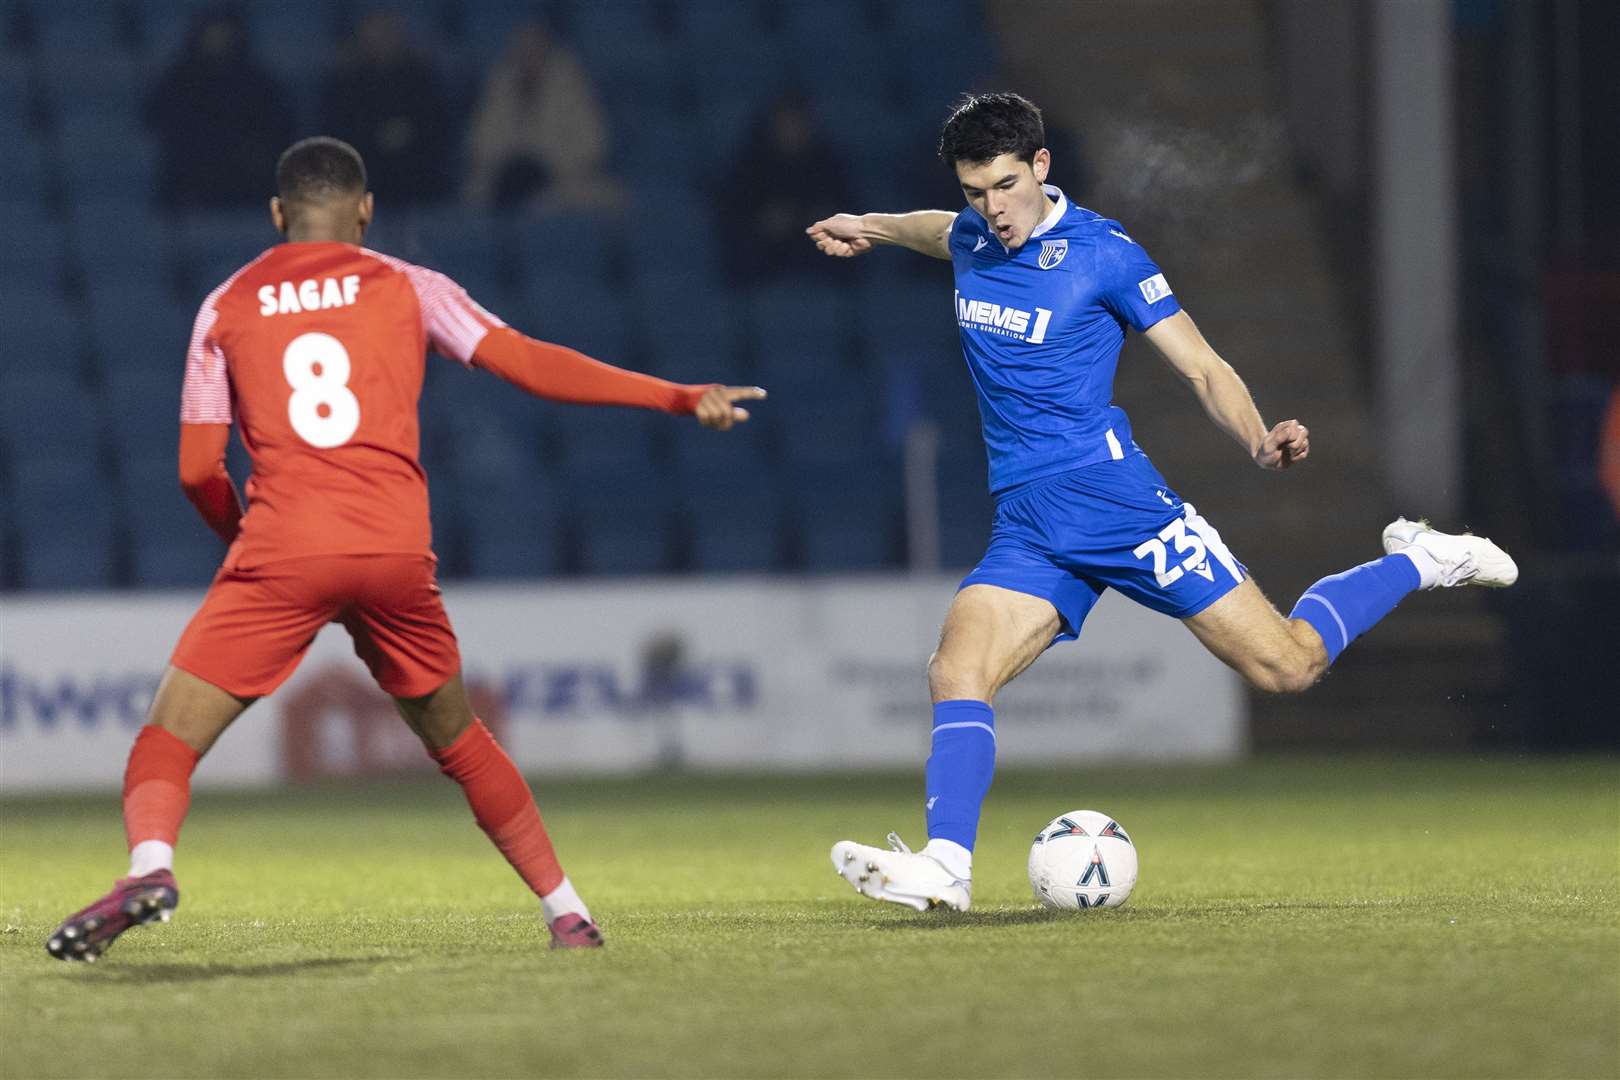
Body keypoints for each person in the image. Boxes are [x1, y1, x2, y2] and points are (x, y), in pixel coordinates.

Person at [45, 136, 765, 960]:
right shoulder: (411, 287)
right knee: (459, 739)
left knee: (168, 737)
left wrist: (240, 541)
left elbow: (197, 468)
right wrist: (676, 396)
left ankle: (150, 868)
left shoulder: (226, 304)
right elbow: (525, 362)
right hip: (393, 551)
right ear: (366, 210)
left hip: (284, 549)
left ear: (278, 216)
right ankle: (567, 912)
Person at [805, 92, 1517, 912]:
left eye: (1005, 185)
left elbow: (1203, 367)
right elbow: (933, 229)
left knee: (1288, 664)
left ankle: (1421, 561)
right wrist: (869, 223)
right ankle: (946, 868)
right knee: (955, 670)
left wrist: (1256, 438)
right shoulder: (970, 231)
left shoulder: (1105, 253)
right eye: (975, 190)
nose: (991, 209)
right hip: (1031, 521)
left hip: (1116, 502)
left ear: (1040, 166)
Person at [145, 4, 295, 210]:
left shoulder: (259, 83)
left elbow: (280, 127)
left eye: (224, 31)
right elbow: (153, 117)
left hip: (247, 182)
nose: (218, 39)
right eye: (213, 31)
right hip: (192, 179)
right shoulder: (180, 80)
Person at [462, 21, 622, 213]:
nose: (529, 57)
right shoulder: (501, 84)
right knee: (476, 198)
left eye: (536, 50)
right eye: (523, 51)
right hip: (508, 180)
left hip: (560, 178)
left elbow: (594, 142)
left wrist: (549, 164)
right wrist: (510, 161)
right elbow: (481, 141)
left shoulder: (571, 85)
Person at [718, 91, 855, 283]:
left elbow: (846, 207)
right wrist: (764, 223)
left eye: (799, 122)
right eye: (787, 122)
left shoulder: (829, 166)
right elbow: (734, 215)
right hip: (763, 257)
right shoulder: (750, 166)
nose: (793, 129)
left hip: (818, 256)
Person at [320, 11, 454, 205]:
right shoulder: (343, 84)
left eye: (389, 30)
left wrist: (402, 136)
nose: (382, 37)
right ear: (362, 34)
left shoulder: (423, 81)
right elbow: (335, 133)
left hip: (416, 171)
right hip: (363, 170)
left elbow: (438, 129)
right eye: (375, 29)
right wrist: (376, 138)